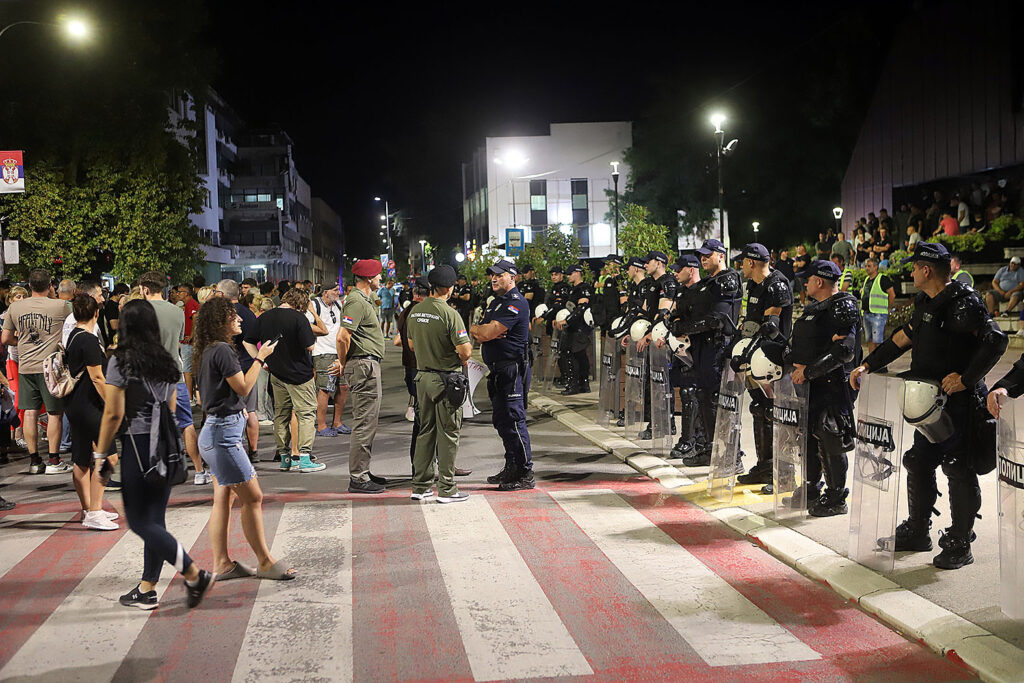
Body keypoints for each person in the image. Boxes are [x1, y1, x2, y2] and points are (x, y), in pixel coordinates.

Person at [851, 242, 1007, 570]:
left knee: (957, 466)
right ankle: (918, 530)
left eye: (914, 267)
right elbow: (902, 338)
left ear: (927, 270)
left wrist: (966, 378)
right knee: (918, 461)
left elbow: (996, 340)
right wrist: (868, 365)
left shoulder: (964, 302)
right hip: (927, 403)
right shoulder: (925, 301)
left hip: (959, 404)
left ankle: (961, 541)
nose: (910, 272)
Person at [96, 300, 215, 610]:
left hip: (137, 446)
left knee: (139, 522)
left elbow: (113, 413)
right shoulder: (166, 360)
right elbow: (171, 407)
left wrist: (101, 453)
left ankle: (194, 573)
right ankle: (147, 588)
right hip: (165, 444)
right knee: (155, 520)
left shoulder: (120, 362)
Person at [192, 297, 296, 581]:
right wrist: (261, 357)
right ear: (220, 322)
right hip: (223, 436)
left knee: (224, 499)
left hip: (215, 432)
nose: (239, 319)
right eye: (233, 316)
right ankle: (264, 561)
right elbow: (243, 387)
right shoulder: (223, 350)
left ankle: (222, 563)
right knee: (253, 497)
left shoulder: (209, 349)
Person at [787, 260, 862, 516]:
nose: (804, 284)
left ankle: (836, 496)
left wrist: (808, 370)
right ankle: (811, 487)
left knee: (830, 435)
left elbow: (844, 351)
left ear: (819, 281)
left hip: (833, 383)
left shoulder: (843, 306)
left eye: (807, 279)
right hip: (810, 384)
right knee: (808, 434)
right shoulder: (814, 308)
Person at [673, 239, 742, 467]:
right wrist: (676, 319)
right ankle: (711, 449)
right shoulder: (707, 283)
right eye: (701, 255)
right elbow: (688, 307)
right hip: (702, 347)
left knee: (719, 400)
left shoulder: (727, 280)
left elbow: (717, 320)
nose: (703, 258)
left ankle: (731, 455)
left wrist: (684, 327)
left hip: (719, 347)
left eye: (708, 254)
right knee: (704, 397)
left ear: (721, 255)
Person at [407, 265, 473, 502]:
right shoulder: (450, 314)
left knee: (425, 431)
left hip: (422, 378)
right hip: (446, 380)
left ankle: (420, 486)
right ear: (450, 288)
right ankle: (447, 488)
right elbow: (465, 351)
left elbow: (411, 345)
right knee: (448, 433)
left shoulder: (415, 311)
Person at [244, 287, 325, 473]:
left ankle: (284, 457)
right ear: (300, 304)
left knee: (280, 415)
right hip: (300, 375)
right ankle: (304, 458)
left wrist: (261, 360)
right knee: (306, 414)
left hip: (276, 373)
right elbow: (310, 346)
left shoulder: (265, 317)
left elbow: (247, 341)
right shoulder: (299, 318)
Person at [733, 243, 793, 487]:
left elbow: (770, 326)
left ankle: (784, 473)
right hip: (754, 356)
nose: (740, 266)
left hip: (772, 359)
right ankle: (765, 466)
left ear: (751, 262)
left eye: (742, 262)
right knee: (759, 408)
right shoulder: (754, 285)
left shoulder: (777, 285)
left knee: (778, 413)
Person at [139, 272, 208, 485]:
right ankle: (199, 471)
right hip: (173, 375)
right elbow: (178, 341)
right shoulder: (177, 312)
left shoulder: (138, 311)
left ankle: (152, 471)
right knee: (186, 424)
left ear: (145, 289)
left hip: (147, 377)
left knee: (147, 427)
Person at [471, 259, 534, 490]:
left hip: (511, 368)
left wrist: (486, 331)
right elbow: (478, 330)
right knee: (502, 421)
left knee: (515, 420)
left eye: (499, 275)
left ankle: (525, 472)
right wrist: (483, 331)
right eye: (492, 275)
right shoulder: (496, 302)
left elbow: (485, 333)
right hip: (497, 369)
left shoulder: (516, 302)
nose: (494, 279)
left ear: (512, 277)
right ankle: (511, 466)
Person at [1, 268, 70, 475]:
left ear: (29, 286)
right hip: (51, 366)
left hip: (25, 366)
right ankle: (54, 460)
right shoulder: (60, 306)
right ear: (50, 286)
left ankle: (34, 460)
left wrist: (21, 344)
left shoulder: (15, 307)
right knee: (54, 413)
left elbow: (5, 338)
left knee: (30, 413)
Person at [64, 293, 119, 530]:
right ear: (96, 313)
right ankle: (94, 511)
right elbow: (97, 377)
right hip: (90, 406)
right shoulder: (88, 339)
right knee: (109, 457)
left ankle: (89, 509)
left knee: (82, 459)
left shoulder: (73, 336)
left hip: (75, 404)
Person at [337, 259, 389, 493]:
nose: (381, 278)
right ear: (368, 278)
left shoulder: (364, 299)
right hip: (363, 365)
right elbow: (342, 336)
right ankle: (358, 477)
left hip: (366, 364)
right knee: (364, 423)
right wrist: (342, 362)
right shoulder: (356, 301)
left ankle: (363, 471)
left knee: (368, 422)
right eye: (377, 275)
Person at [215, 279, 262, 462]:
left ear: (221, 294)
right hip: (249, 366)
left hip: (231, 369)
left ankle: (232, 449)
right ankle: (254, 451)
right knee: (250, 411)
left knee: (230, 412)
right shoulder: (249, 313)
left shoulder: (223, 314)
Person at [634, 251, 678, 437]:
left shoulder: (667, 282)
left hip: (661, 340)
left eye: (648, 261)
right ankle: (660, 423)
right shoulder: (652, 283)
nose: (645, 265)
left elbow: (663, 314)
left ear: (659, 263)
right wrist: (632, 330)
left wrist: (649, 335)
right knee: (653, 382)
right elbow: (644, 311)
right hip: (651, 338)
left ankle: (663, 424)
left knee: (662, 382)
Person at [664, 253, 704, 458]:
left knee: (692, 393)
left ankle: (691, 440)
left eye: (679, 269)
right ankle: (690, 439)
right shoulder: (681, 291)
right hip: (680, 349)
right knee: (685, 392)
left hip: (697, 348)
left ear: (692, 269)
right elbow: (674, 315)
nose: (676, 273)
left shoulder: (703, 290)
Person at [308, 281, 351, 437]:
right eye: (335, 290)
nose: (338, 293)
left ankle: (337, 423)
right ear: (325, 292)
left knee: (343, 386)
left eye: (338, 290)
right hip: (323, 352)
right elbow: (306, 325)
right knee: (325, 388)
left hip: (340, 352)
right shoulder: (314, 305)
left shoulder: (338, 305)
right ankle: (321, 425)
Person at [553, 264, 594, 395]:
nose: (568, 276)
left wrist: (567, 320)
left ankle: (575, 384)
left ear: (577, 273)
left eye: (570, 274)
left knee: (573, 355)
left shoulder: (583, 288)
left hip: (579, 328)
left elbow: (581, 308)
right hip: (573, 327)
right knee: (576, 355)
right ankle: (582, 384)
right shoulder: (573, 289)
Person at [861, 258, 897, 356]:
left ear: (876, 267)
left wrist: (889, 308)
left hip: (878, 314)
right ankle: (871, 361)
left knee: (878, 341)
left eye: (869, 266)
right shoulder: (866, 279)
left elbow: (892, 295)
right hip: (867, 313)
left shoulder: (883, 279)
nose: (866, 268)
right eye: (866, 266)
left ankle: (880, 362)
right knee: (870, 340)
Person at [175, 284, 200, 404]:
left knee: (187, 369)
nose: (178, 294)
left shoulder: (190, 304)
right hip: (189, 341)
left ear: (187, 293)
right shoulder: (190, 304)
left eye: (180, 292)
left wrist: (191, 335)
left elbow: (195, 317)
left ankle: (189, 397)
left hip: (189, 342)